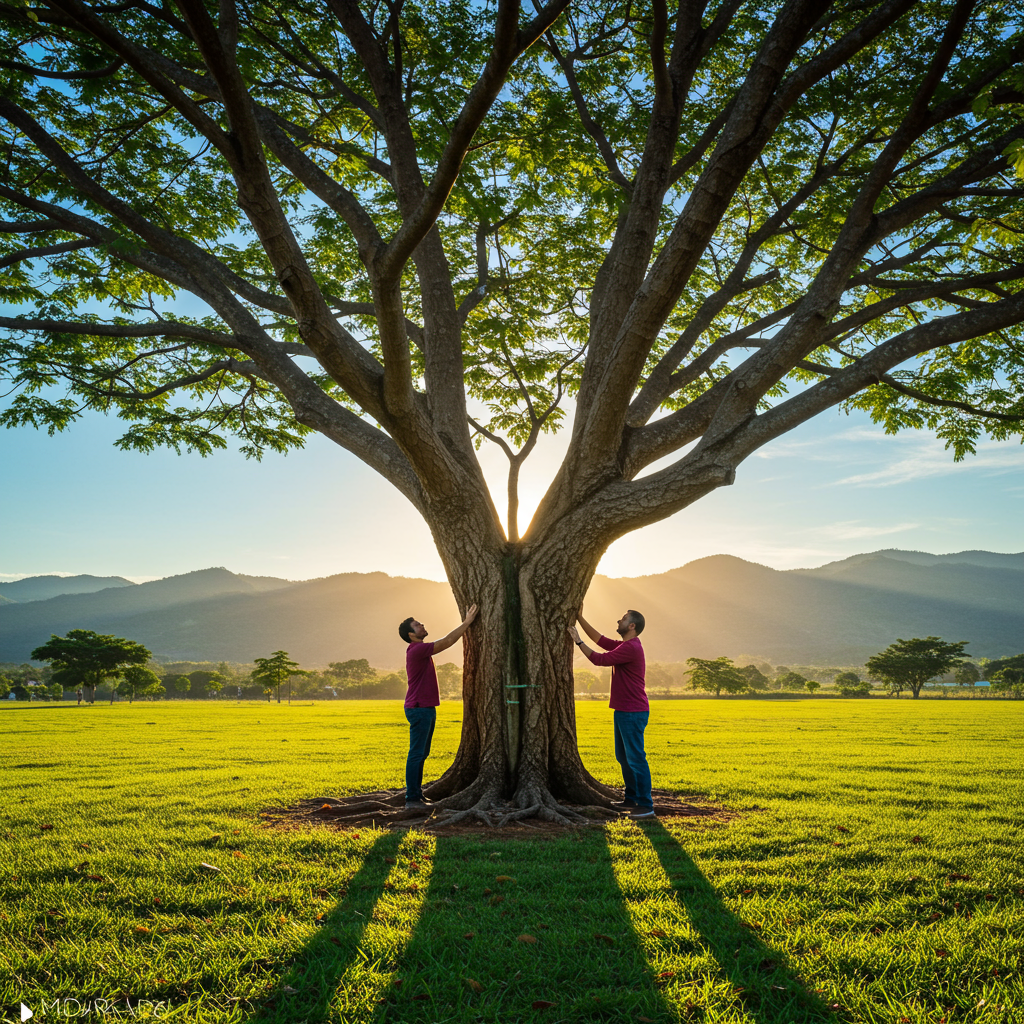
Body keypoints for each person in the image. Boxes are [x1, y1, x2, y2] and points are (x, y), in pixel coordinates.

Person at [568, 610, 654, 819]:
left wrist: (578, 641)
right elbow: (602, 641)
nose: (619, 620)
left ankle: (646, 805)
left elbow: (599, 659)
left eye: (624, 619)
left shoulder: (631, 648)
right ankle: (631, 798)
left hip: (633, 711)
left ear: (632, 626)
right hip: (624, 710)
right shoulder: (626, 645)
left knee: (635, 758)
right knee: (623, 758)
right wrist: (580, 618)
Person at [398, 604, 479, 809]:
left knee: (421, 753)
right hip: (419, 709)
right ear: (411, 634)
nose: (422, 625)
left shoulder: (418, 650)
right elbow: (447, 641)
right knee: (416, 753)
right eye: (417, 625)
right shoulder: (417, 649)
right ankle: (412, 799)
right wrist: (467, 623)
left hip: (425, 708)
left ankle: (417, 795)